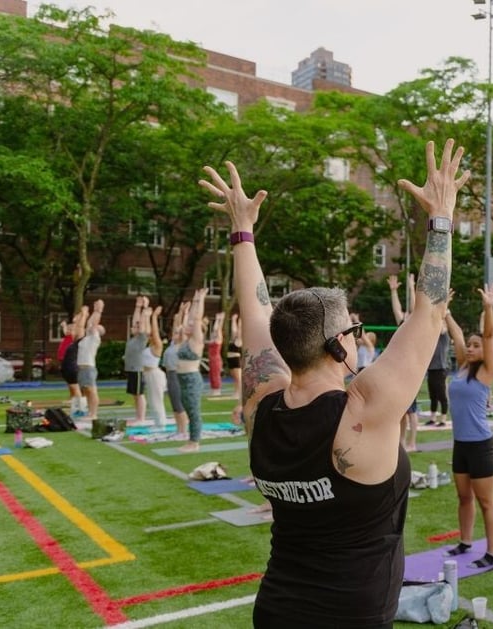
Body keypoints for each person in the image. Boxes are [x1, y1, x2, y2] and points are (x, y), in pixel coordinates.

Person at [200, 137, 467, 627]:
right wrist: (442, 215)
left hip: (278, 607)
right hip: (353, 615)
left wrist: (242, 232)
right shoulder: (362, 410)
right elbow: (430, 312)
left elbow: (256, 309)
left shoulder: (261, 403)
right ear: (340, 343)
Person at [443, 284, 493, 568]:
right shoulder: (463, 367)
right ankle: (465, 541)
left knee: (485, 501)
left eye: (476, 344)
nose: (471, 346)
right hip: (461, 445)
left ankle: (491, 552)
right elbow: (455, 333)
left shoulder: (487, 371)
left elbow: (489, 334)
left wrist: (488, 307)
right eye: (470, 344)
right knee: (463, 497)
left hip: (481, 446)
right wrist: (445, 312)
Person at [389, 274, 421, 451]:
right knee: (401, 411)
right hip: (398, 373)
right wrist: (394, 291)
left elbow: (415, 308)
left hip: (410, 373)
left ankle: (412, 442)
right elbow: (397, 309)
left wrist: (411, 287)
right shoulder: (402, 324)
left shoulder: (416, 327)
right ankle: (401, 441)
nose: (406, 314)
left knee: (412, 411)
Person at [176, 289, 208, 453]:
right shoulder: (185, 341)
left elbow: (195, 319)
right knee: (189, 411)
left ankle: (194, 443)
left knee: (194, 412)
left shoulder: (196, 340)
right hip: (182, 380)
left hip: (191, 380)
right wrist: (194, 301)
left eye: (191, 325)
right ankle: (191, 439)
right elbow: (189, 319)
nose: (187, 325)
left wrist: (200, 299)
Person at [162, 306, 190, 439]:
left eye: (177, 333)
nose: (174, 334)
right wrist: (179, 314)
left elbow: (182, 328)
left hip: (176, 375)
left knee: (179, 404)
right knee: (174, 404)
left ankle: (184, 430)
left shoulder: (183, 345)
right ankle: (179, 429)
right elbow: (176, 326)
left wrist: (185, 313)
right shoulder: (173, 344)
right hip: (169, 375)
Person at [75, 299, 105, 421]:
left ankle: (94, 414)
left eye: (97, 326)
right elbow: (89, 324)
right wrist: (92, 311)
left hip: (88, 367)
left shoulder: (95, 338)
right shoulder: (87, 338)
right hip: (82, 368)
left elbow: (93, 324)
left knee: (92, 391)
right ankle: (90, 413)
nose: (93, 326)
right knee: (87, 391)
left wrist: (98, 311)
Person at [141, 305, 169, 429]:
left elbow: (155, 332)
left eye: (153, 335)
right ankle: (158, 422)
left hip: (154, 374)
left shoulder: (157, 346)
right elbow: (147, 331)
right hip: (148, 374)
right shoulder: (148, 346)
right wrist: (146, 314)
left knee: (157, 400)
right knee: (152, 401)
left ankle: (161, 424)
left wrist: (154, 317)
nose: (151, 336)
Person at [123, 296, 149, 424]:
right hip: (131, 370)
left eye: (136, 327)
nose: (133, 327)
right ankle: (138, 416)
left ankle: (141, 418)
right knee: (135, 395)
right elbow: (135, 321)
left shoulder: (141, 338)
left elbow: (142, 325)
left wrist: (144, 309)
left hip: (138, 370)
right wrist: (137, 307)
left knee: (139, 394)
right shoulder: (133, 339)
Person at [57, 319, 85, 416]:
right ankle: (77, 406)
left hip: (72, 366)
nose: (70, 331)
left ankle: (80, 410)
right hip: (67, 365)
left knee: (76, 388)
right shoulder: (71, 340)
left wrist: (82, 316)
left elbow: (78, 330)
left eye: (72, 330)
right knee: (73, 386)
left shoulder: (77, 341)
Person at [426, 322, 451, 427]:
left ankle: (443, 419)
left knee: (442, 396)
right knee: (433, 396)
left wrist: (439, 317)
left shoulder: (444, 338)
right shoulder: (433, 339)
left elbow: (442, 328)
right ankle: (432, 418)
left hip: (440, 369)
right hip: (431, 370)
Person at [207, 311, 225, 396]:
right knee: (211, 374)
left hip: (216, 359)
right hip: (211, 359)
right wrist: (217, 319)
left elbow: (218, 330)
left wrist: (220, 320)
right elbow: (215, 330)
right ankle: (213, 388)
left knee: (215, 374)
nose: (214, 333)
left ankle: (217, 389)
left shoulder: (218, 340)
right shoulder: (213, 339)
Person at [227, 313, 243, 400]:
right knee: (234, 378)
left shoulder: (239, 339)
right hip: (230, 360)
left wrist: (240, 321)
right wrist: (233, 320)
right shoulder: (232, 340)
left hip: (236, 360)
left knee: (238, 378)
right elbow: (233, 331)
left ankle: (239, 393)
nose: (235, 332)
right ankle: (236, 392)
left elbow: (239, 330)